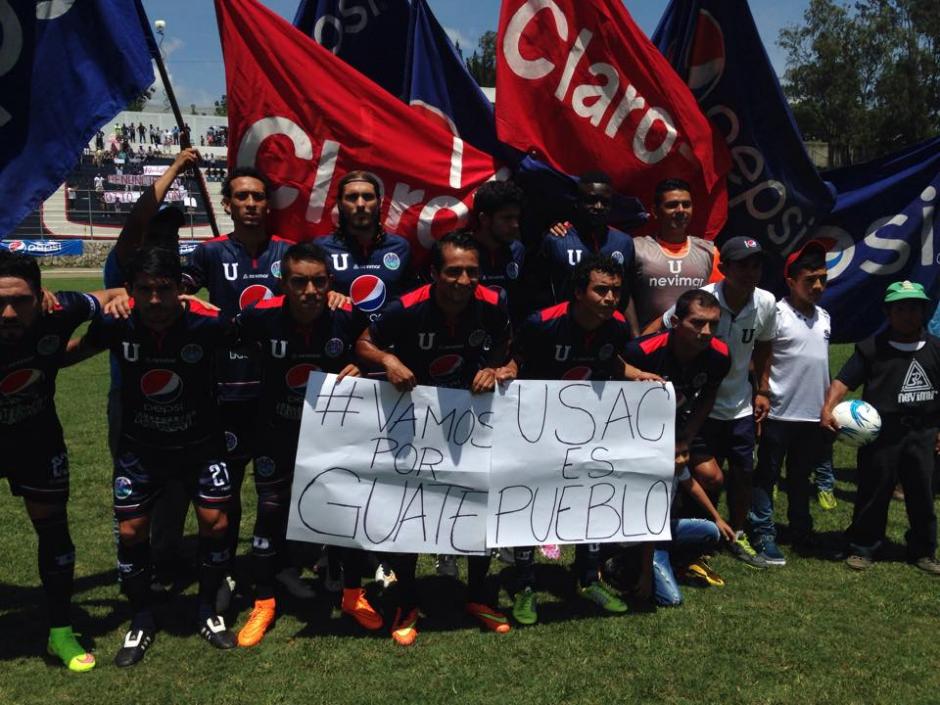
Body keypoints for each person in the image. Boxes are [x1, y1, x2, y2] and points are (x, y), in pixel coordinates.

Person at [71, 247, 240, 665]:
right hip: (141, 447)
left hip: (201, 443)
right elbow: (70, 352)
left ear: (179, 290)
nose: (154, 301)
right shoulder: (117, 323)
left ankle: (207, 609)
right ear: (130, 292)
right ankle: (141, 616)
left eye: (163, 290)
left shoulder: (208, 322)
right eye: (143, 290)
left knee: (215, 523)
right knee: (131, 534)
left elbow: (262, 339)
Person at [355, 232, 513, 645]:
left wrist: (497, 368)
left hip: (469, 417)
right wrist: (389, 359)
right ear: (433, 274)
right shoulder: (406, 309)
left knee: (476, 503)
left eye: (472, 272)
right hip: (415, 417)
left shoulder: (493, 305)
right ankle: (406, 602)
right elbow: (364, 343)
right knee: (412, 510)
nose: (463, 281)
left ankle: (478, 595)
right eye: (453, 271)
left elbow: (507, 348)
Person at [233, 242, 382, 647]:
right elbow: (225, 349)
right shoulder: (258, 318)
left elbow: (374, 348)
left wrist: (364, 367)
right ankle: (264, 601)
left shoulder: (348, 315)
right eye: (300, 281)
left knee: (345, 514)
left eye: (319, 281)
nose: (311, 290)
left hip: (332, 433)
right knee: (269, 514)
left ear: (330, 282)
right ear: (284, 283)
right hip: (275, 430)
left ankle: (353, 594)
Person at [0, 251, 123, 672]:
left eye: (21, 300)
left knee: (54, 533)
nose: (9, 312)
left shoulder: (63, 309)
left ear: (41, 296)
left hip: (36, 440)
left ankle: (59, 632)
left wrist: (92, 342)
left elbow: (118, 295)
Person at [182, 167, 296, 605]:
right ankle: (226, 568)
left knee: (276, 489)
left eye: (258, 197)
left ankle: (279, 565)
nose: (251, 204)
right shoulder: (209, 253)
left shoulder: (286, 252)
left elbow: (315, 294)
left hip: (275, 390)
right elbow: (178, 293)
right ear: (227, 204)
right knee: (226, 490)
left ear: (269, 205)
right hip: (225, 391)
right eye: (242, 198)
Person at [504, 254, 633, 624]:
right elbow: (514, 357)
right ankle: (525, 584)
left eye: (616, 292)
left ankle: (589, 577)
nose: (610, 298)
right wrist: (509, 368)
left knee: (587, 498)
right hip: (535, 427)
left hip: (585, 429)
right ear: (578, 292)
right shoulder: (541, 324)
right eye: (601, 290)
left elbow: (613, 363)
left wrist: (637, 375)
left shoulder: (618, 327)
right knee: (530, 500)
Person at [103, 148, 201, 592]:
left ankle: (167, 554)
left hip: (185, 398)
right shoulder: (125, 268)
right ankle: (138, 559)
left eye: (172, 233)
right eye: (159, 231)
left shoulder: (179, 275)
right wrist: (177, 168)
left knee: (178, 484)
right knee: (138, 484)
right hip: (131, 397)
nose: (166, 239)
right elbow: (137, 222)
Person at [661, 236, 776, 569]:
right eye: (742, 265)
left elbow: (764, 346)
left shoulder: (766, 302)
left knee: (743, 474)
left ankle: (736, 535)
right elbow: (663, 326)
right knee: (709, 477)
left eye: (756, 265)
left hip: (739, 404)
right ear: (723, 267)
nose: (750, 272)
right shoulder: (703, 301)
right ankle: (701, 535)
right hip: (699, 405)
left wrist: (762, 390)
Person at [619, 289, 734, 604]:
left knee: (712, 478)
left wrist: (684, 436)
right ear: (676, 321)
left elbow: (708, 396)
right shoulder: (642, 351)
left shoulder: (720, 355)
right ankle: (621, 550)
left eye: (713, 324)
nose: (706, 332)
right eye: (698, 323)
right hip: (634, 429)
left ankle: (682, 552)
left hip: (681, 423)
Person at [821, 280, 940, 574]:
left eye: (914, 308)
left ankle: (923, 550)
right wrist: (828, 408)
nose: (908, 314)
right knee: (874, 491)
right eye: (900, 308)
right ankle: (863, 546)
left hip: (923, 433)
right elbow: (843, 381)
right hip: (881, 435)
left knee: (922, 493)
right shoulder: (872, 348)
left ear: (924, 311)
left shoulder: (936, 348)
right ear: (888, 313)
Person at [748, 241, 832, 566]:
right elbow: (760, 358)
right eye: (810, 279)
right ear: (791, 281)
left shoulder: (824, 317)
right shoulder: (777, 314)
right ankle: (762, 530)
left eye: (822, 279)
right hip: (778, 411)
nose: (818, 286)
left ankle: (801, 528)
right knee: (767, 473)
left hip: (812, 415)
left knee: (800, 476)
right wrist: (762, 393)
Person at [537, 172, 636, 327]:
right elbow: (540, 291)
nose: (598, 207)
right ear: (577, 202)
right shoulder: (556, 240)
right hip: (564, 328)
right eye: (591, 200)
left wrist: (634, 334)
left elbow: (626, 293)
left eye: (605, 202)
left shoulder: (624, 242)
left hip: (608, 332)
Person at [629, 178, 722, 334]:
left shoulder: (709, 252)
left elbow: (719, 302)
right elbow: (624, 298)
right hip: (650, 348)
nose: (680, 210)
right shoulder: (636, 248)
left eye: (686, 205)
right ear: (655, 211)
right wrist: (636, 339)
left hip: (695, 346)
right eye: (672, 205)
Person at [316, 170, 414, 316]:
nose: (361, 204)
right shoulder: (321, 248)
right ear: (340, 204)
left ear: (379, 203)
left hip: (383, 336)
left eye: (368, 197)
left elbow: (412, 301)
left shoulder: (401, 248)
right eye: (352, 197)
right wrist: (326, 296)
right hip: (337, 335)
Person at [466, 179, 528, 324]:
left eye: (517, 218)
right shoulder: (460, 251)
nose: (515, 225)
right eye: (507, 218)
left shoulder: (517, 250)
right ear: (484, 219)